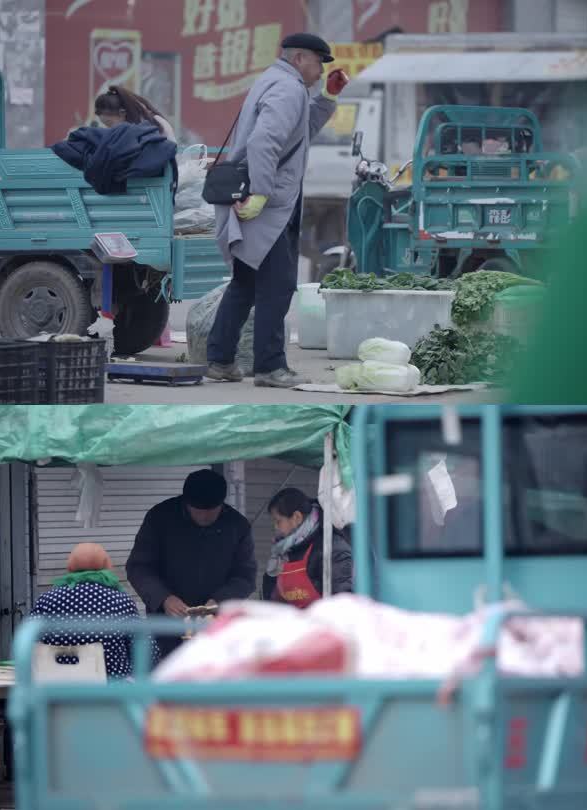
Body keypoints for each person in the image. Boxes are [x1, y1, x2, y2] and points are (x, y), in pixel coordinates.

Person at [205, 33, 347, 389]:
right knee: (278, 285)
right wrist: (261, 193)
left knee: (246, 283)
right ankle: (269, 367)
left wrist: (328, 98)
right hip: (269, 206)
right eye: (319, 63)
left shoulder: (278, 82)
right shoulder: (287, 89)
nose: (320, 71)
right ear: (300, 58)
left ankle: (220, 359)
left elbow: (299, 135)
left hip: (268, 201)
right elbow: (264, 142)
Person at [125, 469, 256, 658]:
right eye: (197, 511)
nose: (203, 517)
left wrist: (219, 602)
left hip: (216, 626)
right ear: (185, 503)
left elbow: (245, 576)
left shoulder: (238, 525)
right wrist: (164, 598)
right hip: (167, 625)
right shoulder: (160, 517)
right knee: (169, 678)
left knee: (214, 679)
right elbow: (139, 567)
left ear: (222, 505)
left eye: (210, 512)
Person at [29, 543, 154, 680]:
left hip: (56, 692)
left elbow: (28, 646)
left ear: (69, 568)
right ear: (107, 566)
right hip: (112, 693)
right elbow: (147, 650)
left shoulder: (46, 601)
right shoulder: (120, 601)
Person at [261, 488, 353, 606]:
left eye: (278, 521)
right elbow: (272, 599)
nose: (275, 527)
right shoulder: (283, 551)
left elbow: (342, 603)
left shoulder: (330, 547)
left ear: (297, 517)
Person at [94, 85, 176, 140]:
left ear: (122, 113)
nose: (109, 129)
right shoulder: (134, 128)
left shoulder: (152, 125)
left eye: (109, 124)